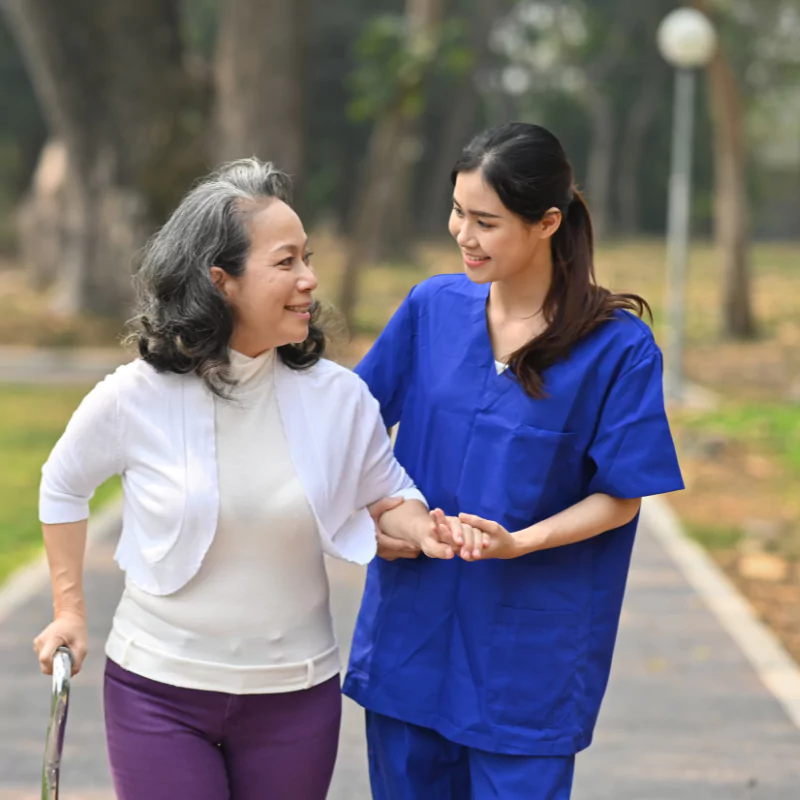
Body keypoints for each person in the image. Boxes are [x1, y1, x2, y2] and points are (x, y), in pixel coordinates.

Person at [32, 158, 452, 800]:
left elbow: (387, 494)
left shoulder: (340, 397)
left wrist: (427, 528)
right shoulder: (136, 396)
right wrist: (69, 610)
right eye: (286, 263)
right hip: (157, 694)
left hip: (296, 698)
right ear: (220, 281)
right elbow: (63, 483)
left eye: (307, 258)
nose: (310, 279)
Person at [343, 122, 685, 799]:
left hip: (529, 659)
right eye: (457, 212)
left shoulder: (619, 348)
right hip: (414, 636)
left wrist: (518, 542)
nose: (461, 234)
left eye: (485, 221)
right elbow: (349, 433)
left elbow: (621, 494)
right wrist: (378, 517)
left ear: (547, 222)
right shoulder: (431, 308)